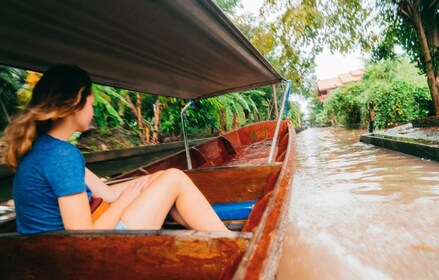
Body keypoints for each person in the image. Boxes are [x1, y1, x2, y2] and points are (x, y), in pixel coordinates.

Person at [3, 64, 228, 235]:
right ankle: (229, 240)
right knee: (175, 178)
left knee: (164, 177)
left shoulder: (42, 148)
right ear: (75, 104)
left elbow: (107, 193)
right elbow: (82, 237)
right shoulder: (62, 156)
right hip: (84, 258)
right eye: (91, 104)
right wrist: (124, 202)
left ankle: (214, 236)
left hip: (55, 254)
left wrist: (151, 181)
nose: (92, 111)